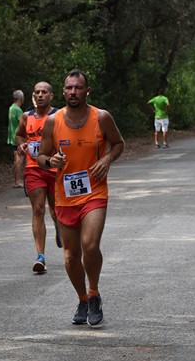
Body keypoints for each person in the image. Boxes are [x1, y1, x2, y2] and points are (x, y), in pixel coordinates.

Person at [37, 69, 125, 326]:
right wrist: (50, 161)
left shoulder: (102, 117)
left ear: (87, 91)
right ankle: (83, 298)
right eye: (68, 88)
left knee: (90, 245)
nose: (73, 92)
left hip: (95, 192)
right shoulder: (53, 121)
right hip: (65, 195)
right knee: (70, 256)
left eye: (78, 87)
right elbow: (41, 156)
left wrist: (107, 159)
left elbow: (118, 144)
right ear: (63, 91)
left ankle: (95, 292)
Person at [15, 82, 62, 273]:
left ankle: (60, 228)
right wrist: (22, 145)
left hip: (55, 168)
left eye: (44, 92)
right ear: (33, 96)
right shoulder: (26, 116)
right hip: (34, 168)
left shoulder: (59, 116)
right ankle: (40, 256)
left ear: (51, 96)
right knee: (38, 210)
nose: (40, 95)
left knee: (56, 211)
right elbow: (19, 135)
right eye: (37, 93)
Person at [7, 90, 25, 187]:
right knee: (19, 159)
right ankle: (18, 181)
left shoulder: (11, 108)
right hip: (18, 138)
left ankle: (17, 180)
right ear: (21, 98)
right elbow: (24, 123)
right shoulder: (17, 109)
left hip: (12, 137)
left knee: (16, 159)